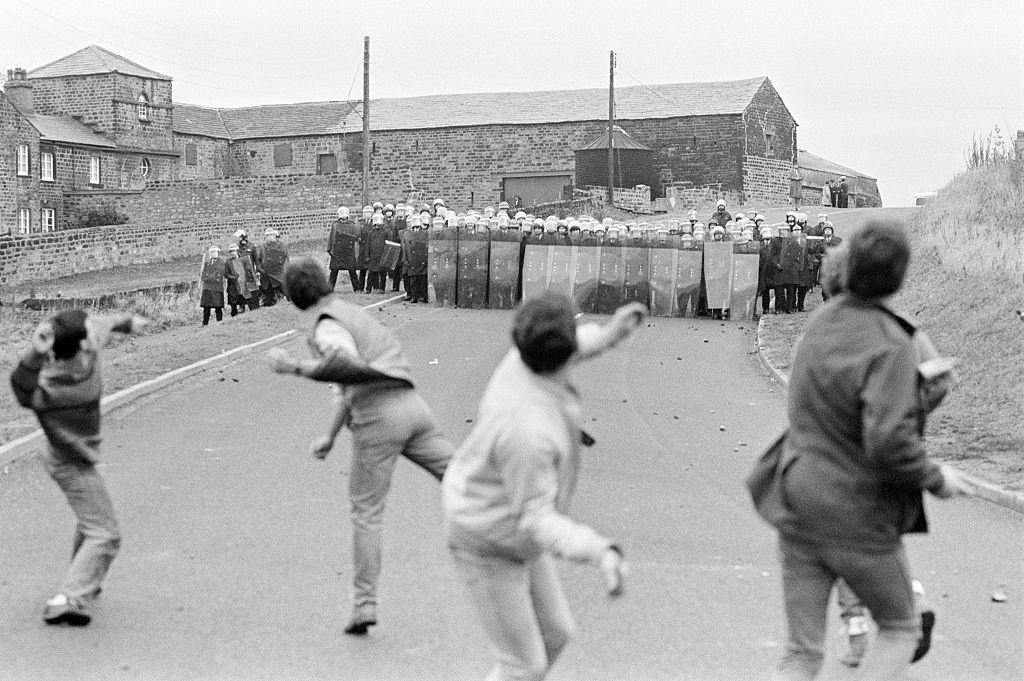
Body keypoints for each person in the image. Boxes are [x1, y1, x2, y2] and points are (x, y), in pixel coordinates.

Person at [766, 219, 971, 680]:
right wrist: (938, 479)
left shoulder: (817, 325)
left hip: (795, 496)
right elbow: (888, 441)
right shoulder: (895, 341)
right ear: (900, 276)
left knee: (801, 652)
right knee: (902, 628)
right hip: (855, 509)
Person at [443, 293, 638, 681]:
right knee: (523, 663)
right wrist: (599, 551)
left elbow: (576, 343)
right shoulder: (527, 432)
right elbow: (536, 518)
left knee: (556, 633)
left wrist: (614, 332)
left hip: (509, 525)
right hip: (485, 537)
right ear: (562, 357)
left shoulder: (522, 360)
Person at [268, 257, 455, 635]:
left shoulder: (325, 326)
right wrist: (331, 435)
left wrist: (296, 367)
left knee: (367, 513)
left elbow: (345, 365)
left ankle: (364, 604)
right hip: (413, 408)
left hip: (377, 418)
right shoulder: (352, 314)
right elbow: (348, 382)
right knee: (463, 476)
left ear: (292, 297)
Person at [10, 309, 148, 626]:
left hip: (71, 456)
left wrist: (35, 351)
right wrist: (126, 323)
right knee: (106, 534)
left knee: (93, 519)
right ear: (83, 342)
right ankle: (67, 598)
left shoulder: (44, 387)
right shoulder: (59, 383)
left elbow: (20, 387)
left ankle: (85, 577)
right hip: (69, 463)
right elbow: (100, 325)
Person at [328, 206, 362, 292]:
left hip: (348, 252)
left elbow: (356, 237)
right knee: (334, 272)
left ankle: (357, 289)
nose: (343, 216)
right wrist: (329, 249)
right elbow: (331, 237)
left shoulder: (352, 225)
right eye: (341, 214)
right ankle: (329, 289)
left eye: (345, 214)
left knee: (352, 272)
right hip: (337, 252)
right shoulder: (335, 225)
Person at [259, 228, 289, 306]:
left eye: (271, 235)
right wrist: (259, 269)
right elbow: (260, 259)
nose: (269, 237)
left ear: (275, 236)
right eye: (267, 236)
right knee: (268, 293)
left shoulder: (281, 245)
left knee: (285, 289)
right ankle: (269, 302)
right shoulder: (263, 246)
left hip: (278, 273)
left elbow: (285, 258)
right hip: (267, 274)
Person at [224, 243, 255, 317]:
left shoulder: (243, 259)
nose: (232, 253)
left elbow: (248, 270)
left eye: (234, 251)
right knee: (233, 299)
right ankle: (234, 314)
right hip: (233, 284)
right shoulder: (228, 262)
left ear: (237, 251)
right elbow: (226, 274)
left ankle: (251, 312)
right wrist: (233, 277)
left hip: (243, 282)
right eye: (231, 252)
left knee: (248, 297)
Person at [234, 230, 261, 310]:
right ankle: (242, 306)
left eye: (239, 238)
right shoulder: (236, 248)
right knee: (243, 290)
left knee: (253, 290)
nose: (238, 240)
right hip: (241, 272)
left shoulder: (251, 246)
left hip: (250, 271)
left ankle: (255, 307)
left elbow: (257, 260)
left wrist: (258, 271)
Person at [199, 245, 226, 325]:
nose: (213, 254)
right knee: (206, 307)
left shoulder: (221, 262)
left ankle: (219, 321)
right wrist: (207, 276)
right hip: (207, 288)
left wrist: (210, 276)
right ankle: (205, 323)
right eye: (212, 252)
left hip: (217, 287)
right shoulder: (207, 262)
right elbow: (203, 275)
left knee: (218, 306)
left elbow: (219, 273)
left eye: (215, 252)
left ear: (218, 253)